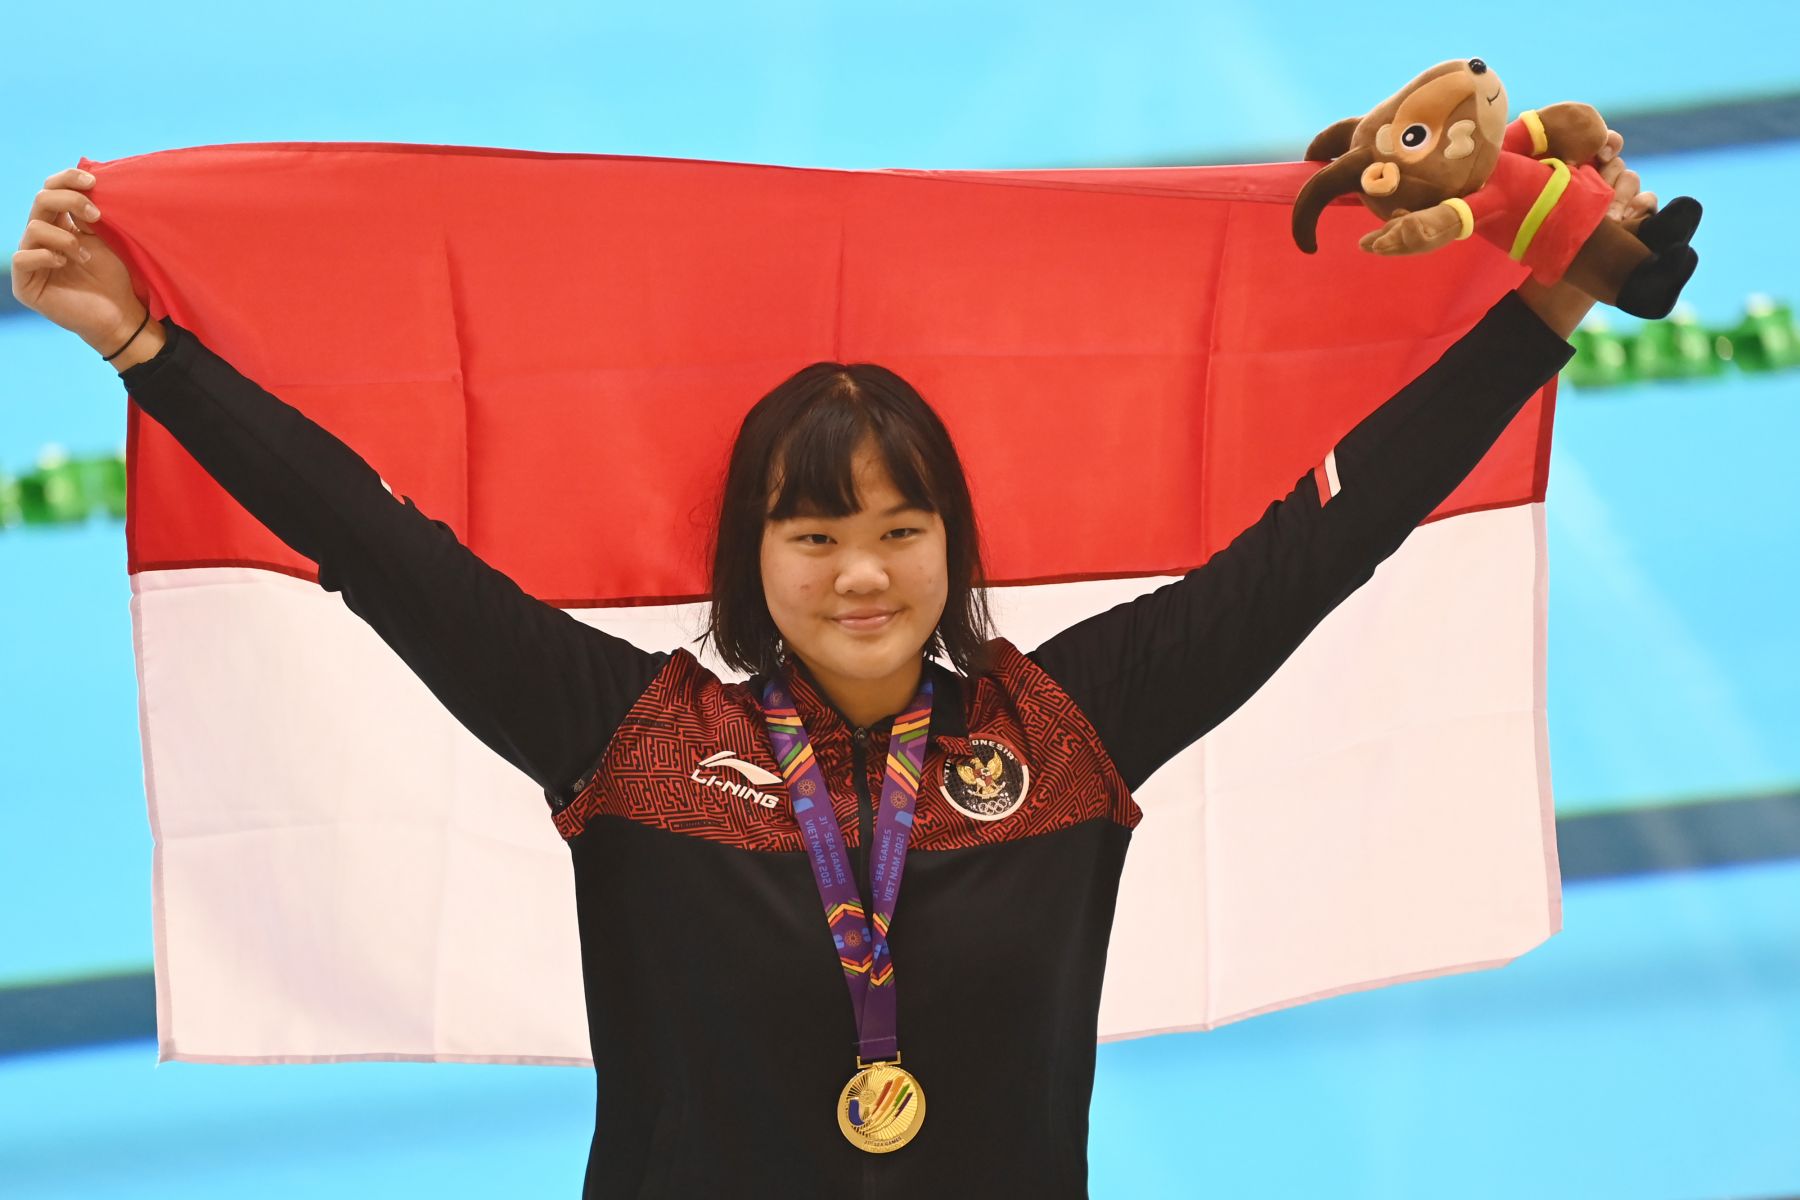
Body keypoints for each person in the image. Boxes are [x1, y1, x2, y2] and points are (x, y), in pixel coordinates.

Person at [13, 141, 1656, 1198]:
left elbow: (1324, 542)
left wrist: (1547, 313)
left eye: (898, 526)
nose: (861, 573)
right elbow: (376, 546)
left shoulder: (1066, 727)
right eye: (812, 538)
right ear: (755, 562)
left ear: (953, 541)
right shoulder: (633, 737)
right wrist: (139, 344)